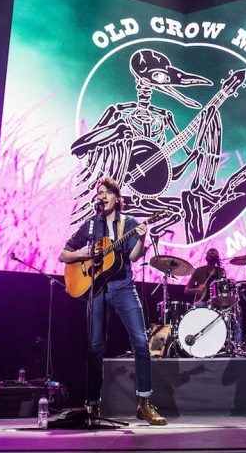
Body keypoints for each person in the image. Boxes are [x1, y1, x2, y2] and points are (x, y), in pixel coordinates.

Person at [60, 177, 167, 426]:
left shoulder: (127, 224)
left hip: (123, 287)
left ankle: (144, 402)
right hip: (96, 289)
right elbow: (64, 255)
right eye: (99, 193)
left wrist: (141, 238)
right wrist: (81, 253)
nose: (102, 196)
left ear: (117, 198)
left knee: (141, 342)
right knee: (95, 347)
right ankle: (92, 403)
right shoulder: (89, 226)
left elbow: (132, 255)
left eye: (107, 192)